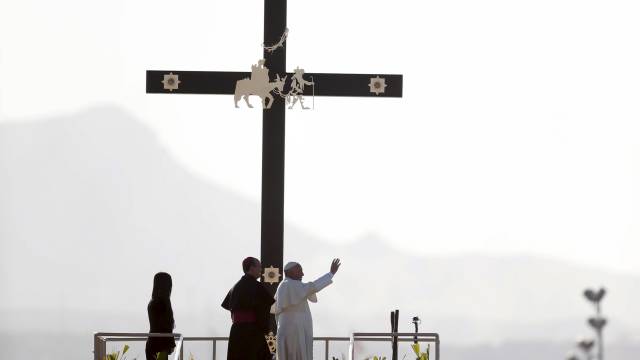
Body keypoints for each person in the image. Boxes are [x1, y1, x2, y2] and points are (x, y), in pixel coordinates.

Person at [274, 259, 341, 360]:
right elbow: (313, 287)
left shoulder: (287, 285)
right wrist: (330, 274)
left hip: (293, 329)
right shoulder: (289, 284)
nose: (303, 274)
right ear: (292, 271)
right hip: (294, 331)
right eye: (300, 271)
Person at [222, 257, 276, 360]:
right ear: (252, 268)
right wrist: (271, 341)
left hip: (236, 333)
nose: (261, 269)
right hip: (253, 333)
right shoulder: (257, 287)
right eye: (259, 267)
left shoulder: (235, 287)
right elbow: (263, 316)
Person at [145, 272, 176, 360]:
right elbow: (166, 327)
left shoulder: (152, 302)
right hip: (160, 347)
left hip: (152, 344)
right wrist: (171, 344)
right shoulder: (163, 303)